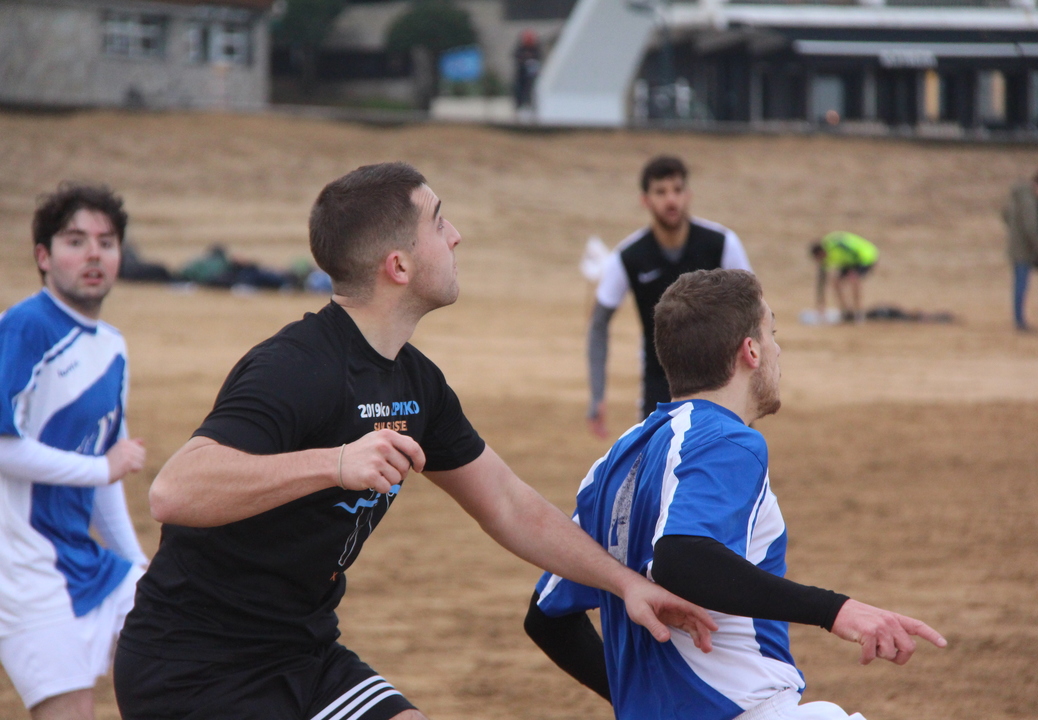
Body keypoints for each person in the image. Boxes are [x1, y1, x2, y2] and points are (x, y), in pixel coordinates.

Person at [112, 162, 716, 720]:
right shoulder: (295, 365)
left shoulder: (417, 382)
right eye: (439, 222)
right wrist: (335, 463)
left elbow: (508, 503)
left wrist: (625, 583)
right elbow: (174, 491)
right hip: (192, 667)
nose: (456, 237)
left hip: (303, 652)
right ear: (398, 266)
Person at [525, 269, 947, 719]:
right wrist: (835, 610)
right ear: (751, 351)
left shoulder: (615, 461)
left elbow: (546, 617)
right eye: (772, 333)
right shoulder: (726, 439)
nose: (778, 349)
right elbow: (681, 557)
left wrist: (642, 702)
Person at [0, 183, 148, 720]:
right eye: (75, 240)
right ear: (43, 256)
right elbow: (3, 448)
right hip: (24, 571)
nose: (93, 255)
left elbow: (108, 477)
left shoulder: (112, 345)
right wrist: (100, 467)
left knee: (180, 651)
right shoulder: (26, 326)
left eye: (106, 243)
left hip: (89, 563)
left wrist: (137, 563)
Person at [587, 155, 752, 437]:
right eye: (661, 192)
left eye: (677, 190)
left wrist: (752, 379)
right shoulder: (629, 257)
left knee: (732, 460)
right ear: (645, 200)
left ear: (688, 194)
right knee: (657, 462)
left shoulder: (722, 244)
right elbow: (599, 323)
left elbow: (753, 309)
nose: (671, 200)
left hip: (724, 383)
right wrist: (597, 395)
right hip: (659, 386)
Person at [1003, 174, 1038, 331]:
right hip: (1024, 250)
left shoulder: (1016, 197)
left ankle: (1019, 319)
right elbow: (1031, 228)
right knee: (1021, 285)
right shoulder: (1029, 201)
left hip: (1015, 247)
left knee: (1019, 284)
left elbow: (1005, 215)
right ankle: (1020, 321)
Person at [809, 231, 878, 323]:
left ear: (821, 252)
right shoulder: (824, 258)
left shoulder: (836, 244)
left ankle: (859, 312)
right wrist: (821, 304)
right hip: (848, 262)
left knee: (854, 279)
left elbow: (854, 251)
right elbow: (822, 281)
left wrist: (854, 270)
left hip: (865, 256)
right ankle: (846, 311)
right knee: (836, 282)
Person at [513, 29, 542, 112]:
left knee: (531, 90)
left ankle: (530, 105)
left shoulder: (535, 49)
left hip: (531, 76)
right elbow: (516, 56)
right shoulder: (520, 48)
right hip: (521, 74)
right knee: (519, 90)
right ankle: (519, 105)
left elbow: (539, 57)